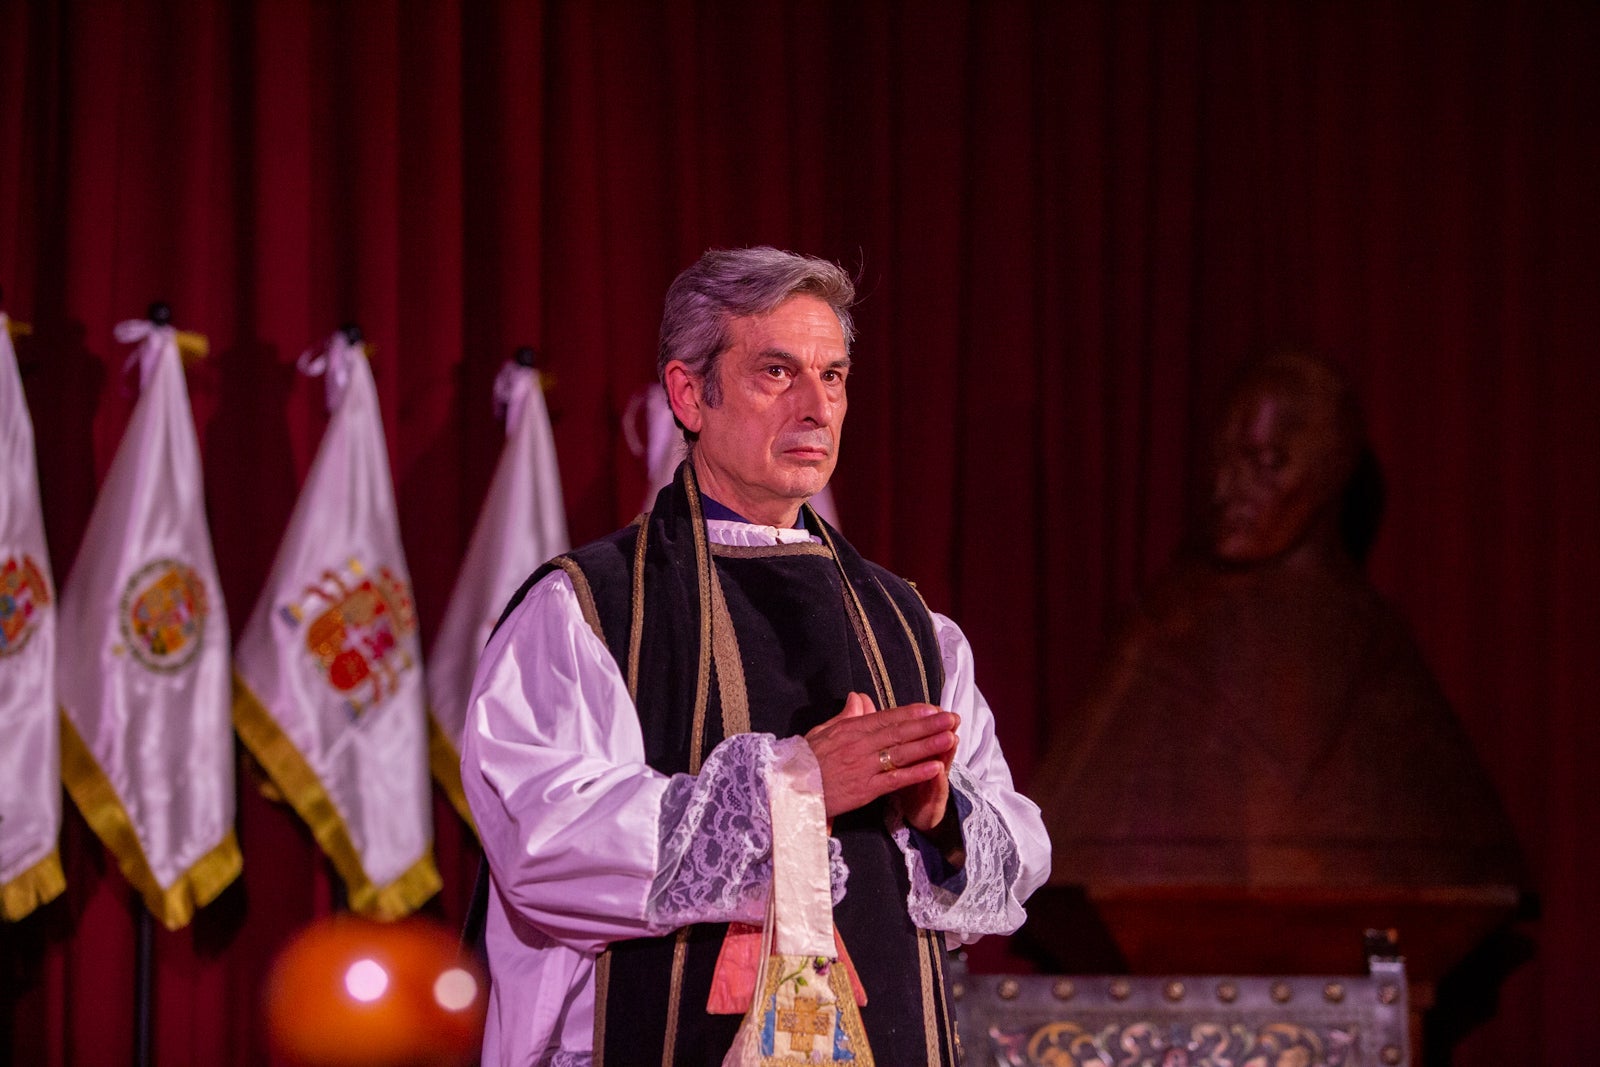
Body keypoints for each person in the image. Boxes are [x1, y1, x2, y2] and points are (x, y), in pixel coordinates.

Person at [461, 247, 1051, 1066]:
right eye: (778, 372)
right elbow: (544, 843)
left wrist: (940, 814)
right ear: (688, 394)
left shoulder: (912, 625)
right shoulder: (586, 611)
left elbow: (1019, 855)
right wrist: (793, 789)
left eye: (834, 376)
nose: (817, 408)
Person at [1033, 352, 1521, 891]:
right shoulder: (1162, 631)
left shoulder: (1374, 643)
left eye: (1265, 463)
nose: (1225, 489)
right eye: (1222, 462)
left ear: (1328, 471)